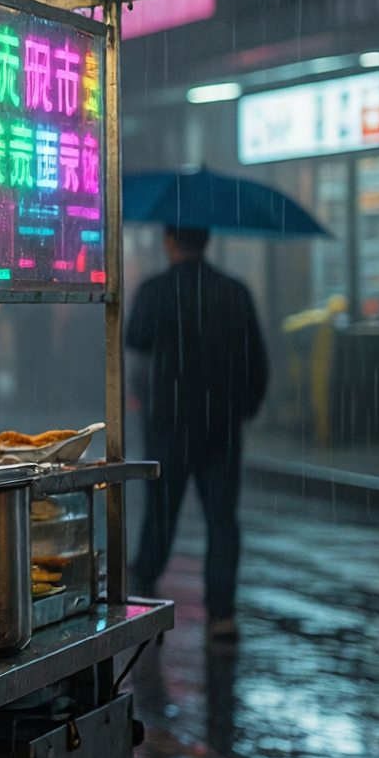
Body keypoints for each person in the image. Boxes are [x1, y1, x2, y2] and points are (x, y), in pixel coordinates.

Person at [127, 224, 269, 642]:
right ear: (207, 241)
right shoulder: (234, 292)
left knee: (160, 515)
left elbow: (136, 341)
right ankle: (221, 615)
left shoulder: (156, 290)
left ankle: (144, 606)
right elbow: (257, 361)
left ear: (170, 241)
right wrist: (243, 407)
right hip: (221, 426)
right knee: (222, 520)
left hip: (170, 425)